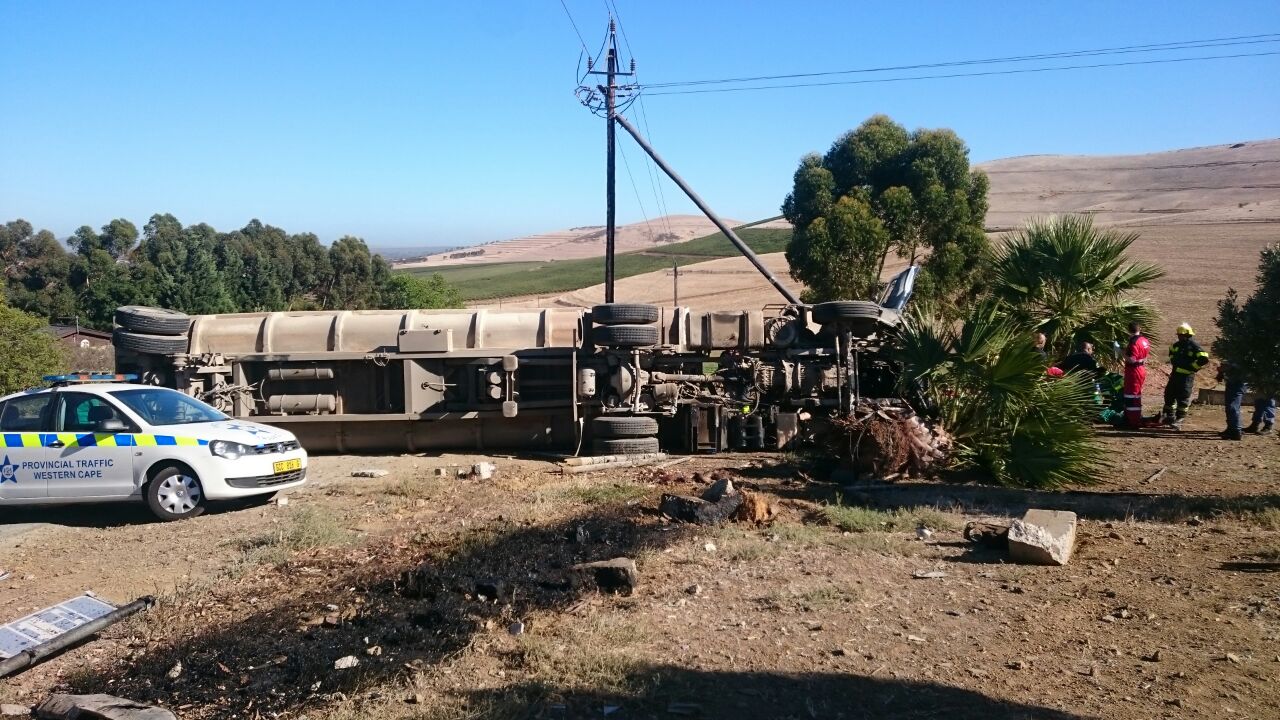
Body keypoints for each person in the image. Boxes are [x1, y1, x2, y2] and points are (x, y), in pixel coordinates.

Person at [1159, 322, 1210, 428]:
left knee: (1182, 399)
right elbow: (1171, 352)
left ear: (1187, 335)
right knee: (1169, 395)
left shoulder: (1194, 346)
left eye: (1181, 335)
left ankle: (1180, 419)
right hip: (1175, 375)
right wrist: (1174, 361)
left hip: (1186, 377)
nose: (1179, 336)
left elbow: (1204, 358)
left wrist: (1193, 367)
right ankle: (1169, 416)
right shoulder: (1176, 345)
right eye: (1178, 335)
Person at [1219, 360, 1276, 439]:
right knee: (1259, 399)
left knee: (1267, 399)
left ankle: (1268, 425)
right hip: (1258, 371)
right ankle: (1255, 424)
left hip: (1268, 372)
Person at [1121, 322, 1150, 428]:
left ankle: (1132, 420)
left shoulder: (1133, 342)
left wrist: (1121, 352)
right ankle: (1134, 417)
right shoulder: (1144, 340)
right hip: (1141, 369)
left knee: (1131, 394)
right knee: (1136, 394)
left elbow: (1132, 359)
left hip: (1133, 370)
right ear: (1140, 329)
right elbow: (1144, 357)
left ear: (1128, 330)